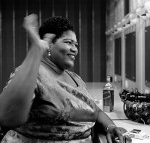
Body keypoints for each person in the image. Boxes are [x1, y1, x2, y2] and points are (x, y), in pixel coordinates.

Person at [0, 14, 131, 143]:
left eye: (76, 45)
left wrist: (111, 127)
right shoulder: (32, 73)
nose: (74, 49)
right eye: (68, 42)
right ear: (49, 45)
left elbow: (95, 111)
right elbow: (8, 115)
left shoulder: (75, 78)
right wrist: (35, 53)